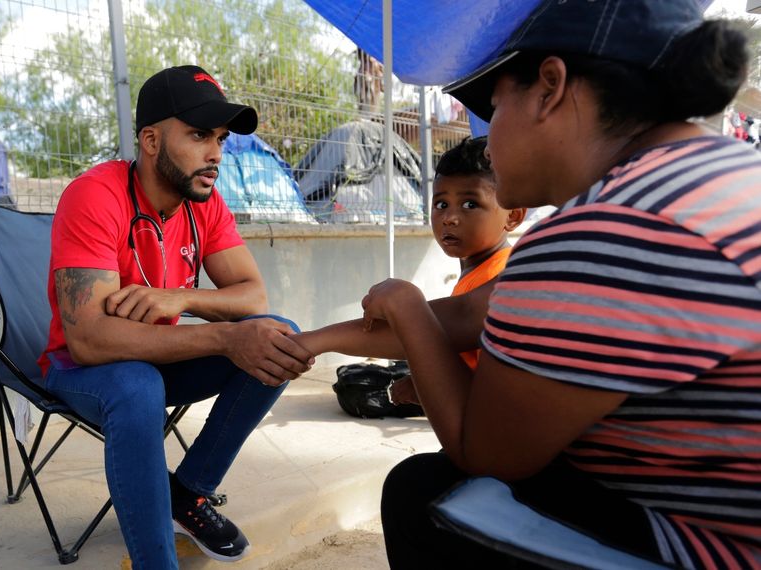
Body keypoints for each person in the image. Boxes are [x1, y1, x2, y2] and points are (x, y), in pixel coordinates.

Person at [298, 0, 761, 568]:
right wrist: (312, 341)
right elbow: (469, 317)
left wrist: (406, 302)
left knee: (425, 492)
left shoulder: (603, 233)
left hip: (721, 550)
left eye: (493, 109)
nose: (487, 141)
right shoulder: (713, 178)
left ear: (549, 87)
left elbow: (484, 451)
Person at [37, 65, 314, 568]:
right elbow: (90, 342)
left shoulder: (202, 201)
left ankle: (188, 491)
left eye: (221, 139)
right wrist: (223, 340)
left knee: (279, 337)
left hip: (155, 359)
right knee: (138, 386)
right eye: (198, 135)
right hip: (81, 370)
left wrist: (178, 299)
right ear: (150, 140)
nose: (215, 154)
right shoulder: (95, 196)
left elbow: (252, 296)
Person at [388, 135, 525, 406]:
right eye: (441, 205)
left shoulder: (497, 278)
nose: (449, 218)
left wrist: (425, 386)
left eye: (470, 204)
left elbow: (495, 387)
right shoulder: (480, 271)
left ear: (512, 216)